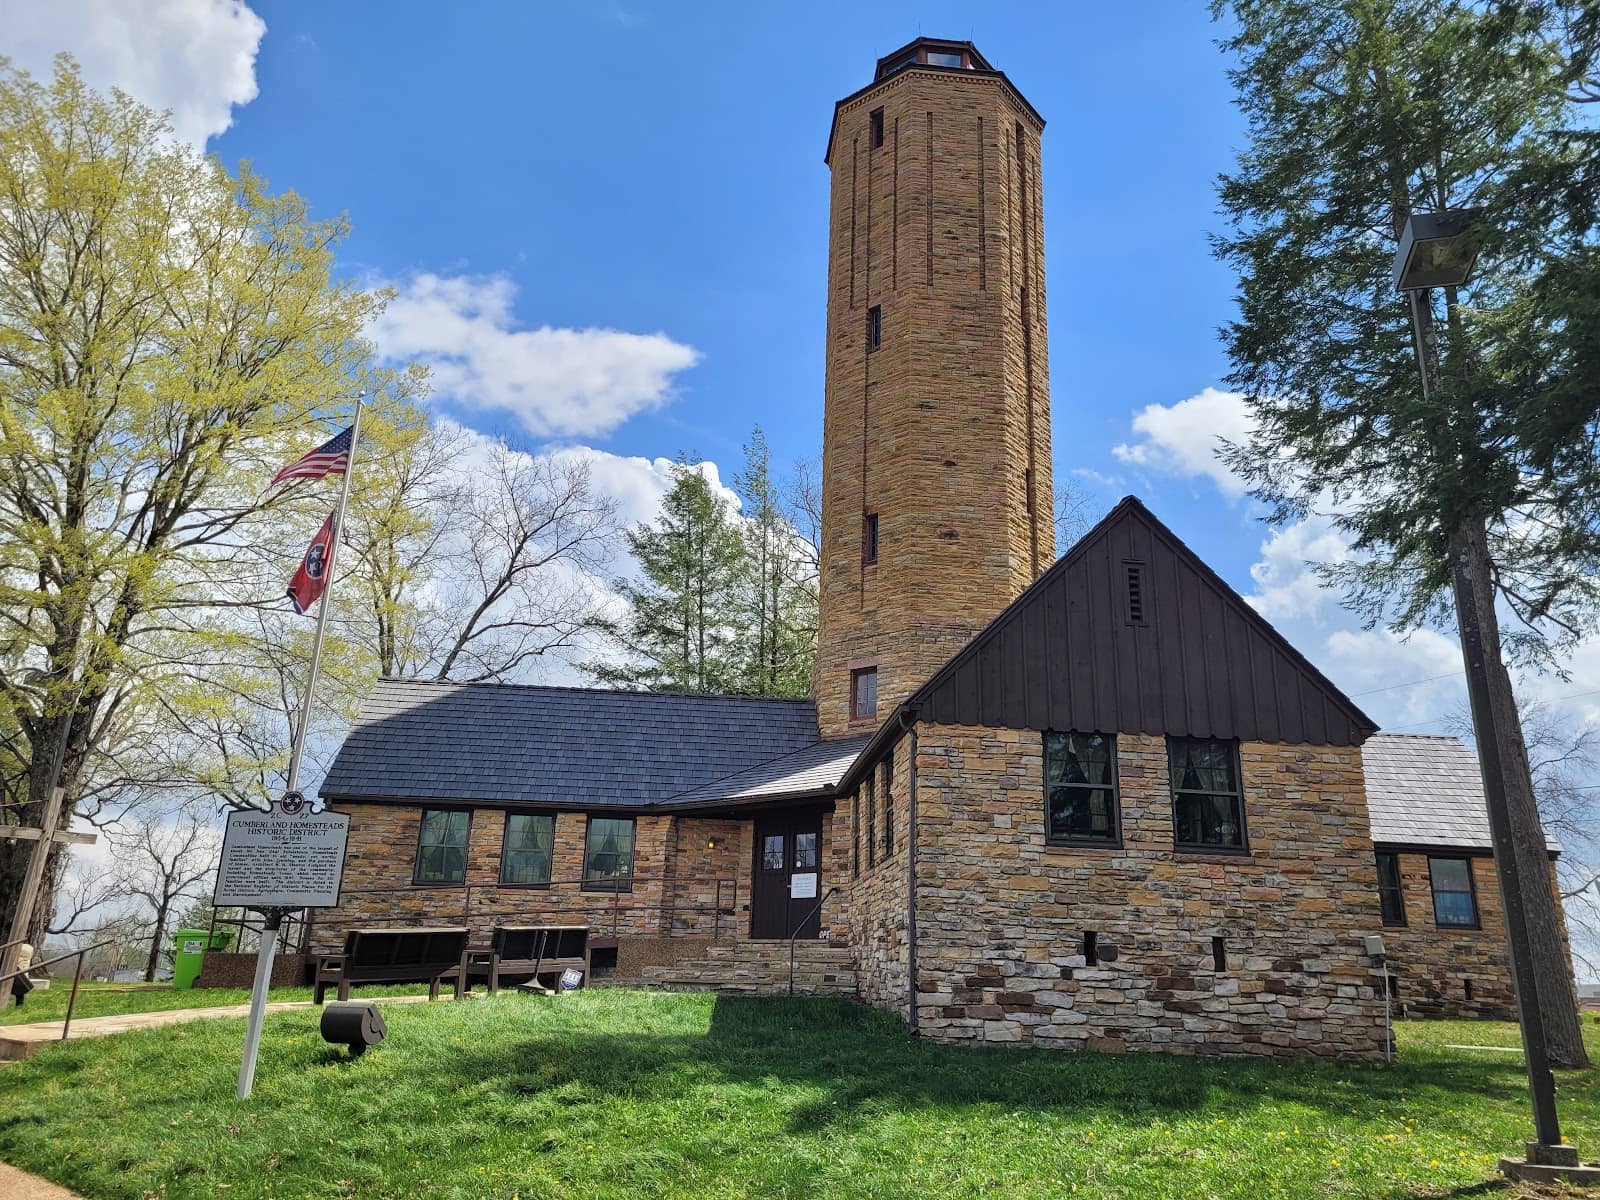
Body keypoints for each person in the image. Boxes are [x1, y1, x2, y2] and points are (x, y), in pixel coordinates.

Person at [10, 942, 34, 1007]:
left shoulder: (25, 949)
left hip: (16, 968)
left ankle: (19, 1003)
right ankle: (19, 1003)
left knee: (19, 982)